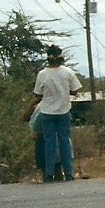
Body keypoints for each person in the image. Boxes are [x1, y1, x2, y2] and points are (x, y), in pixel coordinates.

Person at [24, 45, 82, 181]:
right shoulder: (68, 72)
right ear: (61, 57)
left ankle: (49, 174)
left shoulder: (42, 74)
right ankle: (68, 173)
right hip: (63, 110)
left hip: (47, 112)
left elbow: (37, 93)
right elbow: (75, 91)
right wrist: (63, 91)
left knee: (48, 142)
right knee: (64, 141)